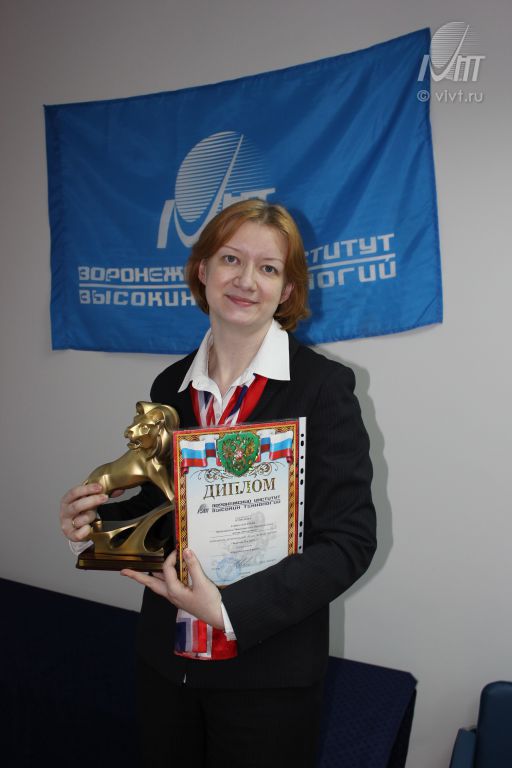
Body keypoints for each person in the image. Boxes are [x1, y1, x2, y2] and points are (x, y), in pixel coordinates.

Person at [60, 199, 376, 768]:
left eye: (268, 268)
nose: (246, 280)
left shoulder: (323, 388)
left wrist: (230, 609)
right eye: (231, 259)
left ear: (286, 290)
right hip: (167, 665)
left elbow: (349, 541)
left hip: (268, 677)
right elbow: (165, 506)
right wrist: (95, 523)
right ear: (202, 269)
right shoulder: (170, 386)